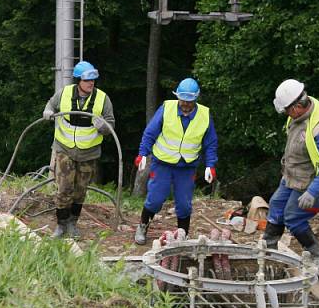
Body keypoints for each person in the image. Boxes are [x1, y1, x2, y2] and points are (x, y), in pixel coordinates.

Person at [263, 79, 319, 260]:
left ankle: (318, 259)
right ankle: (268, 251)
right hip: (297, 173)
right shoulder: (300, 109)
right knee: (276, 205)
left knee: (293, 217)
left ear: (295, 108)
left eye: (286, 110)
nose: (286, 114)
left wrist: (312, 192)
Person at [133, 77, 218, 245]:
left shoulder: (204, 115)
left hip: (186, 167)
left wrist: (210, 166)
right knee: (155, 198)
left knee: (184, 203)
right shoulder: (167, 108)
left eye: (189, 101)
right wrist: (143, 154)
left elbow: (211, 143)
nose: (185, 104)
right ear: (178, 97)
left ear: (196, 99)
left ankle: (183, 234)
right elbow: (150, 133)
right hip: (162, 164)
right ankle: (142, 226)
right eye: (183, 100)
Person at [42, 60, 115, 239]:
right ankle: (61, 225)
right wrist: (48, 112)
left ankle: (73, 224)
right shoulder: (64, 94)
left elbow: (111, 124)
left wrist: (103, 127)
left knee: (80, 190)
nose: (91, 83)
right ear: (78, 81)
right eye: (87, 80)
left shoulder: (102, 99)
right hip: (64, 149)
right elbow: (51, 105)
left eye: (93, 80)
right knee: (64, 188)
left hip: (88, 153)